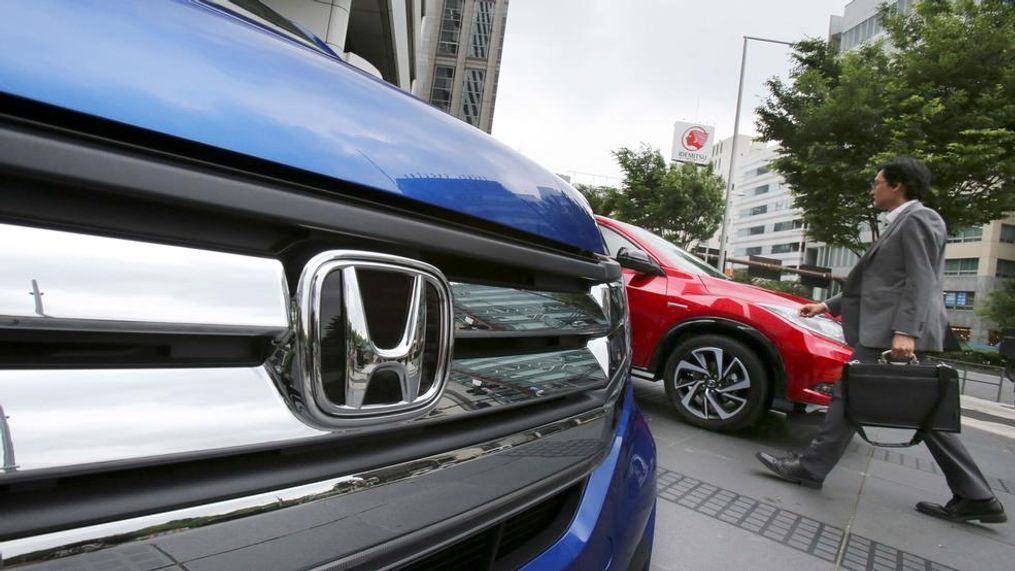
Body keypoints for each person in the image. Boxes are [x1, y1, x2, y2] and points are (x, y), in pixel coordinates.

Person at [755, 156, 1006, 524]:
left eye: (877, 182)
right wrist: (826, 305)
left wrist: (907, 331)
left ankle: (810, 469)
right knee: (911, 410)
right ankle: (977, 495)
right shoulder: (902, 222)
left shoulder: (921, 218)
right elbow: (880, 285)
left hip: (892, 334)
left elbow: (921, 280)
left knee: (851, 396)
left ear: (897, 185)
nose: (873, 189)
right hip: (889, 330)